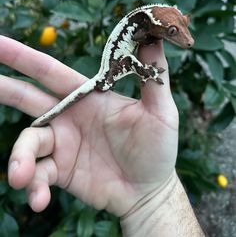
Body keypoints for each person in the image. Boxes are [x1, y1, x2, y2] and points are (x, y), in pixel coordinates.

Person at [0, 35, 204, 236]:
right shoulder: (143, 32)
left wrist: (154, 199)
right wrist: (153, 202)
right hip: (111, 68)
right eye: (171, 31)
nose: (187, 41)